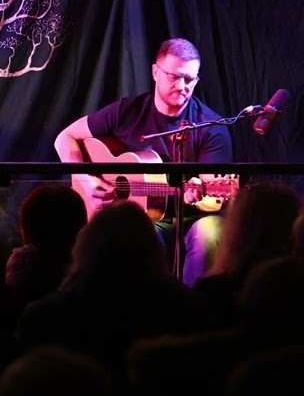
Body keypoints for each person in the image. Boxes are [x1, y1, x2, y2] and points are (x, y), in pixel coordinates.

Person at [53, 37, 232, 286]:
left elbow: (213, 192)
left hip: (194, 219)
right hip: (141, 219)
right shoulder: (127, 112)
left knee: (211, 231)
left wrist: (200, 192)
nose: (182, 86)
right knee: (130, 233)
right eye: (174, 76)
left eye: (190, 79)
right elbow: (65, 137)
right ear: (155, 72)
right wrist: (87, 179)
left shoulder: (212, 128)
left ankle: (195, 312)